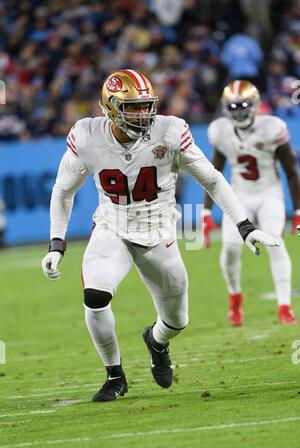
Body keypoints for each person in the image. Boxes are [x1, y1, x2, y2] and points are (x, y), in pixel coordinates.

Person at [42, 70, 279, 402]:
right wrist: (57, 243)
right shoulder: (87, 136)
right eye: (132, 107)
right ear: (110, 108)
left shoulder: (169, 132)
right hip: (113, 229)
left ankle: (156, 341)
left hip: (160, 233)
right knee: (95, 296)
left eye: (145, 106)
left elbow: (212, 179)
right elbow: (62, 191)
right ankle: (114, 375)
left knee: (177, 320)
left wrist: (245, 226)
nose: (143, 115)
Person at [204, 80, 300, 327]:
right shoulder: (220, 130)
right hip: (239, 197)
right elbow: (214, 173)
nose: (237, 111)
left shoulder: (272, 127)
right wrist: (206, 211)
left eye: (243, 105)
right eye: (232, 106)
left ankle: (284, 305)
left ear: (255, 105)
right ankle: (235, 299)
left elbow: (291, 171)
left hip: (269, 194)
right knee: (230, 249)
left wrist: (298, 210)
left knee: (276, 244)